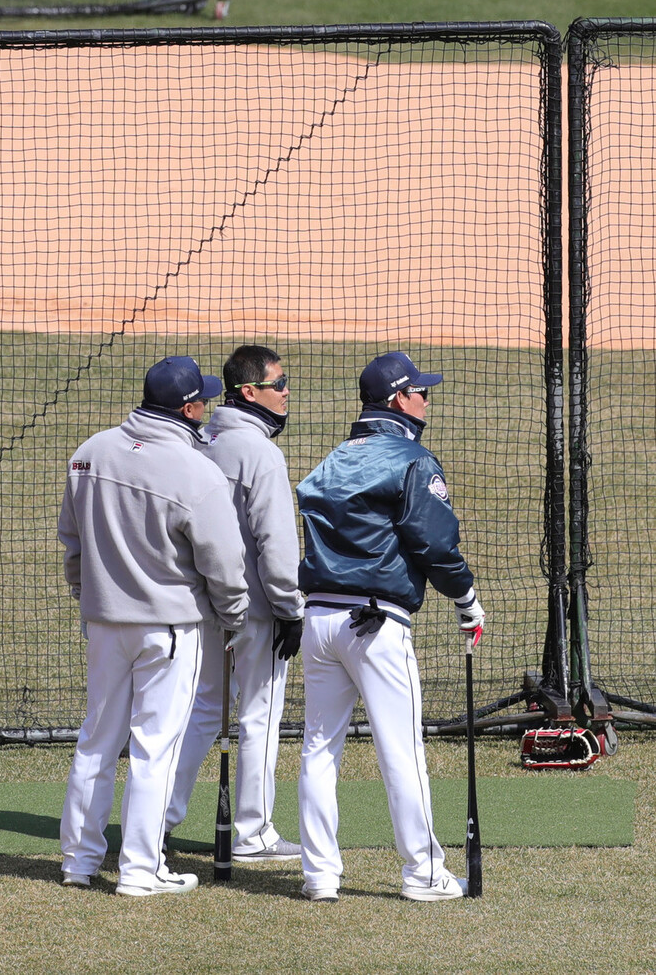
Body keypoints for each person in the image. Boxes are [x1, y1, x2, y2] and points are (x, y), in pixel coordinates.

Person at [295, 351, 485, 904]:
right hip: (375, 625)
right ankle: (424, 875)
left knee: (317, 749)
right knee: (401, 750)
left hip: (318, 620)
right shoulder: (412, 459)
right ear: (400, 398)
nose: (427, 399)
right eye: (421, 391)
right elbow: (435, 545)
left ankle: (319, 876)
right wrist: (466, 599)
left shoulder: (332, 458)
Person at [58, 355, 249, 897]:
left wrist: (90, 597)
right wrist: (232, 620)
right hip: (169, 630)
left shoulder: (89, 454)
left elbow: (72, 546)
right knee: (154, 746)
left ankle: (79, 861)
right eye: (203, 402)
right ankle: (142, 869)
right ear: (188, 408)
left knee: (97, 738)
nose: (207, 410)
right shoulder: (196, 472)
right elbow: (225, 562)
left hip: (103, 623)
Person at [165, 344, 303, 862]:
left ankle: (159, 816)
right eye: (279, 384)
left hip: (203, 606)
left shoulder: (201, 439)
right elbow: (276, 543)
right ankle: (254, 834)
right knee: (260, 716)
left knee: (202, 710)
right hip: (257, 611)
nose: (287, 392)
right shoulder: (260, 452)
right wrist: (290, 609)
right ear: (250, 392)